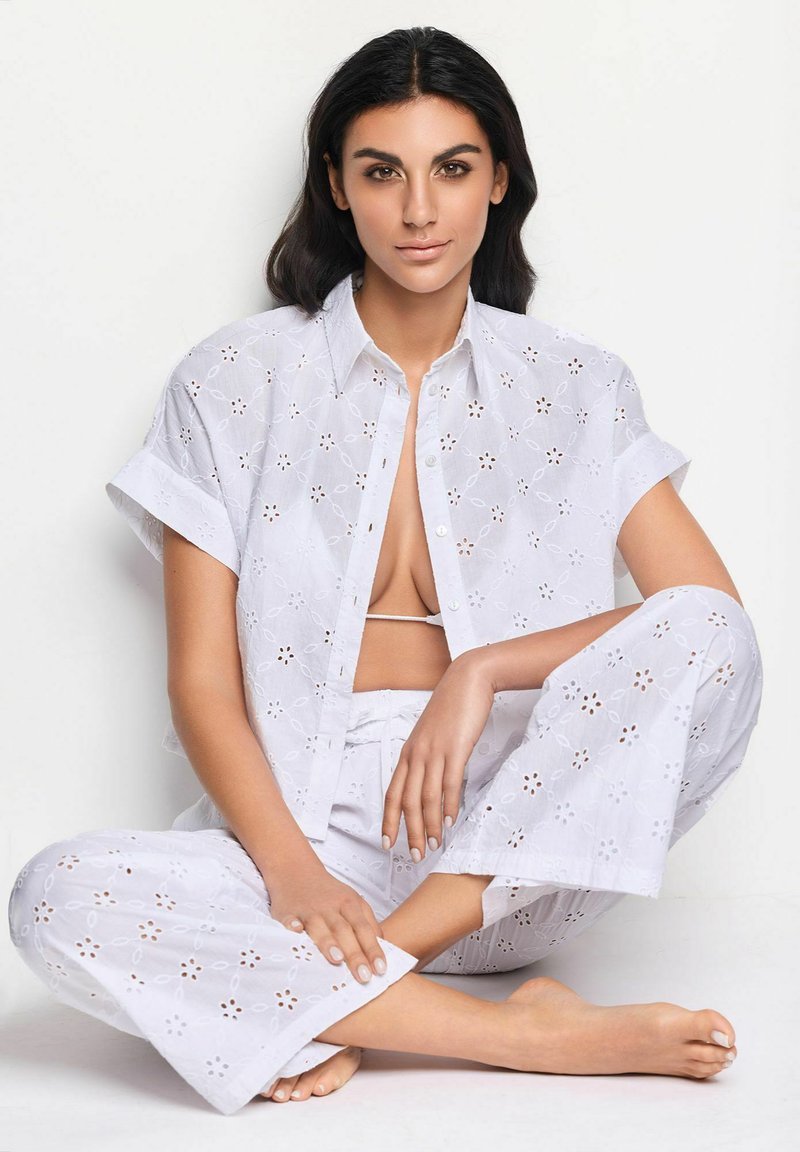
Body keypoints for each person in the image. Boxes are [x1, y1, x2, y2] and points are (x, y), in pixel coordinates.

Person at [8, 26, 763, 1115]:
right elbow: (204, 683)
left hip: (513, 861)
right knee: (53, 898)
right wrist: (294, 876)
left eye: (451, 168)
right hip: (299, 851)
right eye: (380, 172)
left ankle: (343, 993)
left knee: (712, 633)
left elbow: (699, 620)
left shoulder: (578, 386)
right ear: (336, 185)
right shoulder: (233, 380)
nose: (418, 210)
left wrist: (484, 671)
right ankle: (514, 1034)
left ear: (497, 180)